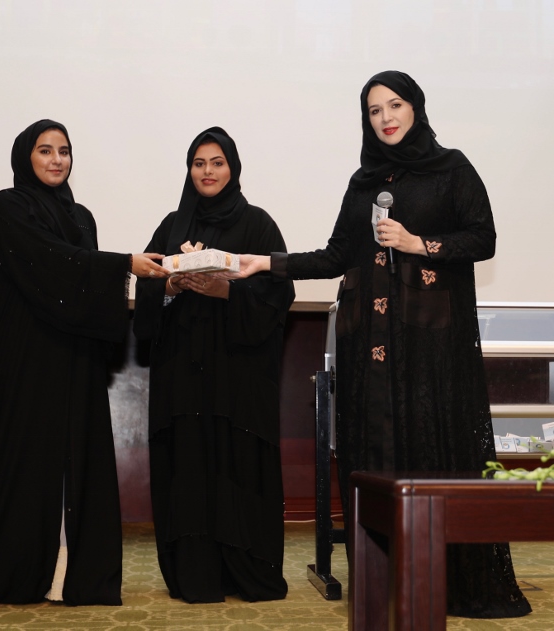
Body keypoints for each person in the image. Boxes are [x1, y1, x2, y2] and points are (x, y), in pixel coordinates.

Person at [225, 72, 532, 618]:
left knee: (431, 451)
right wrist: (265, 263)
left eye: (395, 105)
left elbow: (482, 238)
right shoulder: (364, 182)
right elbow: (336, 255)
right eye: (374, 110)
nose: (385, 117)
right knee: (376, 456)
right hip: (370, 350)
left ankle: (447, 581)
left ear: (415, 108)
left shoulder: (451, 168)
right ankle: (385, 578)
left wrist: (417, 243)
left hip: (430, 350)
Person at [0, 119, 168, 607]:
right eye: (45, 150)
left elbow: (79, 285)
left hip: (72, 358)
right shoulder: (9, 205)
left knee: (72, 462)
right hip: (21, 361)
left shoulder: (82, 217)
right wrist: (124, 263)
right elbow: (47, 261)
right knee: (27, 463)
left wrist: (124, 269)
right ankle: (17, 575)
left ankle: (68, 575)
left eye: (65, 151)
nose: (57, 160)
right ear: (25, 156)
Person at [133, 127, 295, 603]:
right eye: (199, 163)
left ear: (233, 168)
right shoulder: (172, 225)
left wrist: (225, 290)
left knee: (238, 468)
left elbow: (279, 294)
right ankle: (193, 574)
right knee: (188, 468)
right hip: (183, 378)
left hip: (238, 380)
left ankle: (247, 572)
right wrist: (171, 285)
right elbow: (146, 286)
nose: (207, 171)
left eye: (217, 162)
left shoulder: (259, 224)